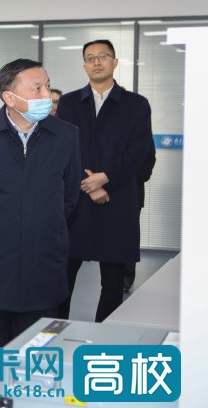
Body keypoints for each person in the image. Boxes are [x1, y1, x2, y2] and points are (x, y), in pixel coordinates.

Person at [0, 59, 81, 408]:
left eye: (47, 85)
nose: (46, 94)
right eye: (36, 88)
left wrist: (41, 225)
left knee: (34, 368)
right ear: (9, 97)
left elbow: (70, 197)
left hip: (44, 268)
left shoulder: (66, 135)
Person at [56, 39, 154, 322]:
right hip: (76, 201)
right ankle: (54, 333)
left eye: (102, 56)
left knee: (113, 284)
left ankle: (103, 338)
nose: (96, 62)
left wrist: (106, 179)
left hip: (118, 199)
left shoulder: (136, 105)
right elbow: (64, 149)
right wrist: (87, 183)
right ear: (84, 66)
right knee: (62, 279)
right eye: (90, 58)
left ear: (114, 62)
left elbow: (138, 151)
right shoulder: (69, 103)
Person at [125, 139, 157, 292]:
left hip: (133, 192)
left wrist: (136, 178)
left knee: (130, 236)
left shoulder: (141, 128)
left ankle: (127, 277)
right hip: (107, 191)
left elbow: (150, 157)